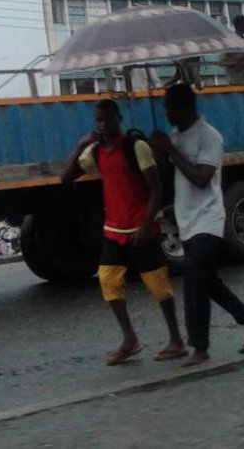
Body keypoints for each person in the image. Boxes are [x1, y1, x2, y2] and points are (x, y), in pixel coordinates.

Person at [149, 84, 244, 367]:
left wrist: (170, 150)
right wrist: (159, 153)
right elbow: (171, 176)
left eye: (169, 108)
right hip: (186, 218)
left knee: (193, 281)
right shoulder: (175, 136)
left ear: (185, 107)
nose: (166, 113)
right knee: (207, 281)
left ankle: (199, 347)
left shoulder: (209, 136)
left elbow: (202, 178)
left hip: (208, 218)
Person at [61, 99, 187, 365]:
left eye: (108, 119)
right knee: (108, 281)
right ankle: (130, 339)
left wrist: (146, 224)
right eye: (99, 120)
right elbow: (66, 177)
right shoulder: (95, 151)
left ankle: (176, 340)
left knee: (157, 284)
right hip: (114, 229)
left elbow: (156, 189)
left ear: (119, 119)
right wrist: (81, 144)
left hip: (141, 229)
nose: (103, 125)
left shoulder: (136, 147)